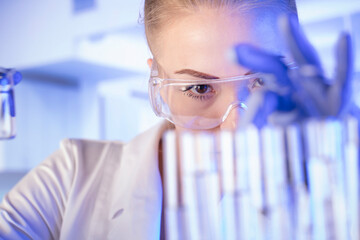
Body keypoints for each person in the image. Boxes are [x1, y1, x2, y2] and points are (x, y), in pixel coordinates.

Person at [0, 0, 308, 239]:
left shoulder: (335, 186)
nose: (238, 128)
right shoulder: (70, 180)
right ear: (158, 83)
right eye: (199, 88)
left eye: (264, 81)